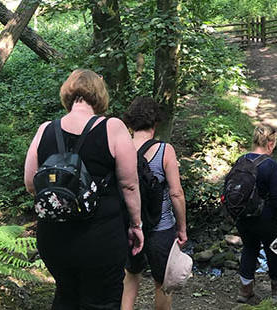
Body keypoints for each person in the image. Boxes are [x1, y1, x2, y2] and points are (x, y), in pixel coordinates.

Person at [23, 69, 143, 309]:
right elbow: (129, 185)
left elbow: (30, 184)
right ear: (99, 95)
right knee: (103, 301)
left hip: (54, 237)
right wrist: (136, 225)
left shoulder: (45, 129)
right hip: (100, 235)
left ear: (68, 93)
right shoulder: (113, 127)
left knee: (66, 295)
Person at [121, 97, 188, 310]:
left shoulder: (120, 149)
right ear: (155, 122)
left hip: (130, 226)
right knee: (162, 283)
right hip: (161, 227)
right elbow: (176, 193)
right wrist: (182, 228)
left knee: (130, 277)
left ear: (130, 123)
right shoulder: (164, 150)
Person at [236, 124, 277, 303]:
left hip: (243, 216)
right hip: (265, 218)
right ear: (270, 143)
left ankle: (245, 291)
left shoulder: (241, 160)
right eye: (274, 143)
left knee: (249, 248)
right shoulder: (271, 165)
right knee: (274, 250)